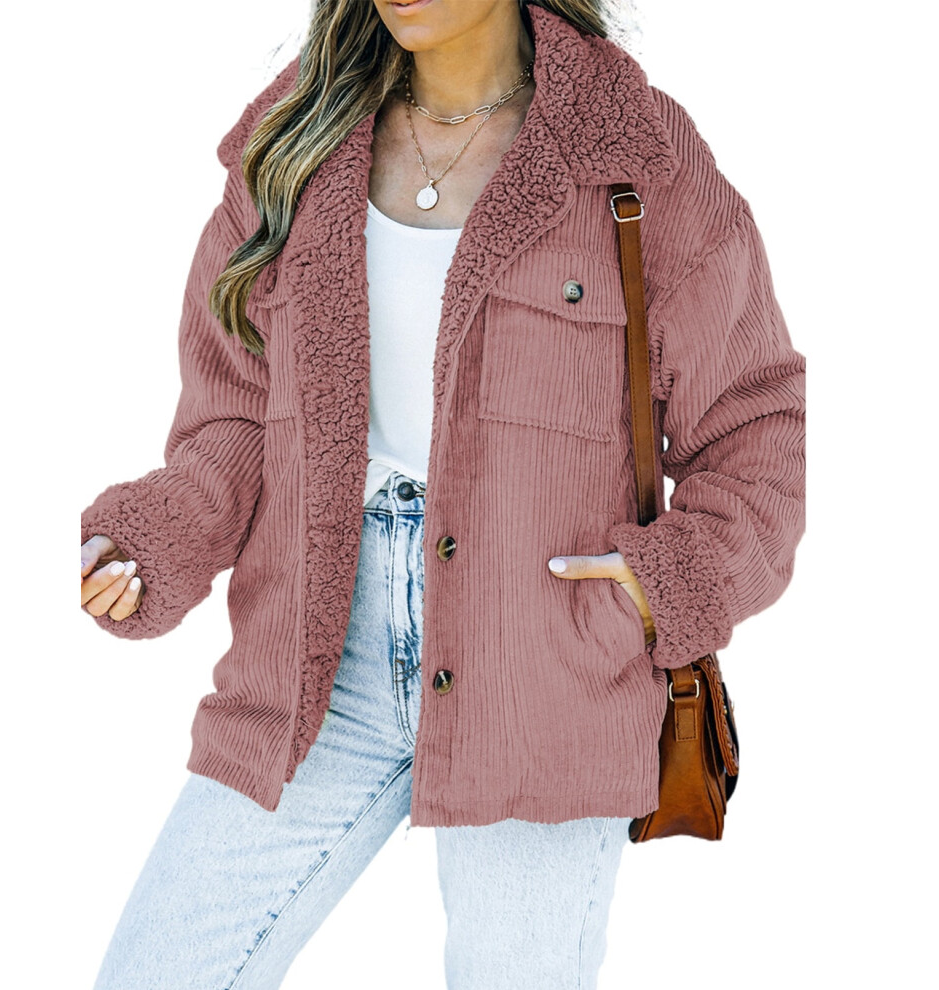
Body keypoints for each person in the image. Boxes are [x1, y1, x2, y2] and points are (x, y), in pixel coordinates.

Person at [79, 1, 806, 987]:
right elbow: (237, 419)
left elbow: (756, 425)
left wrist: (655, 586)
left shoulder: (631, 149)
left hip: (543, 668)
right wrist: (149, 541)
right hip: (315, 662)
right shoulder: (293, 146)